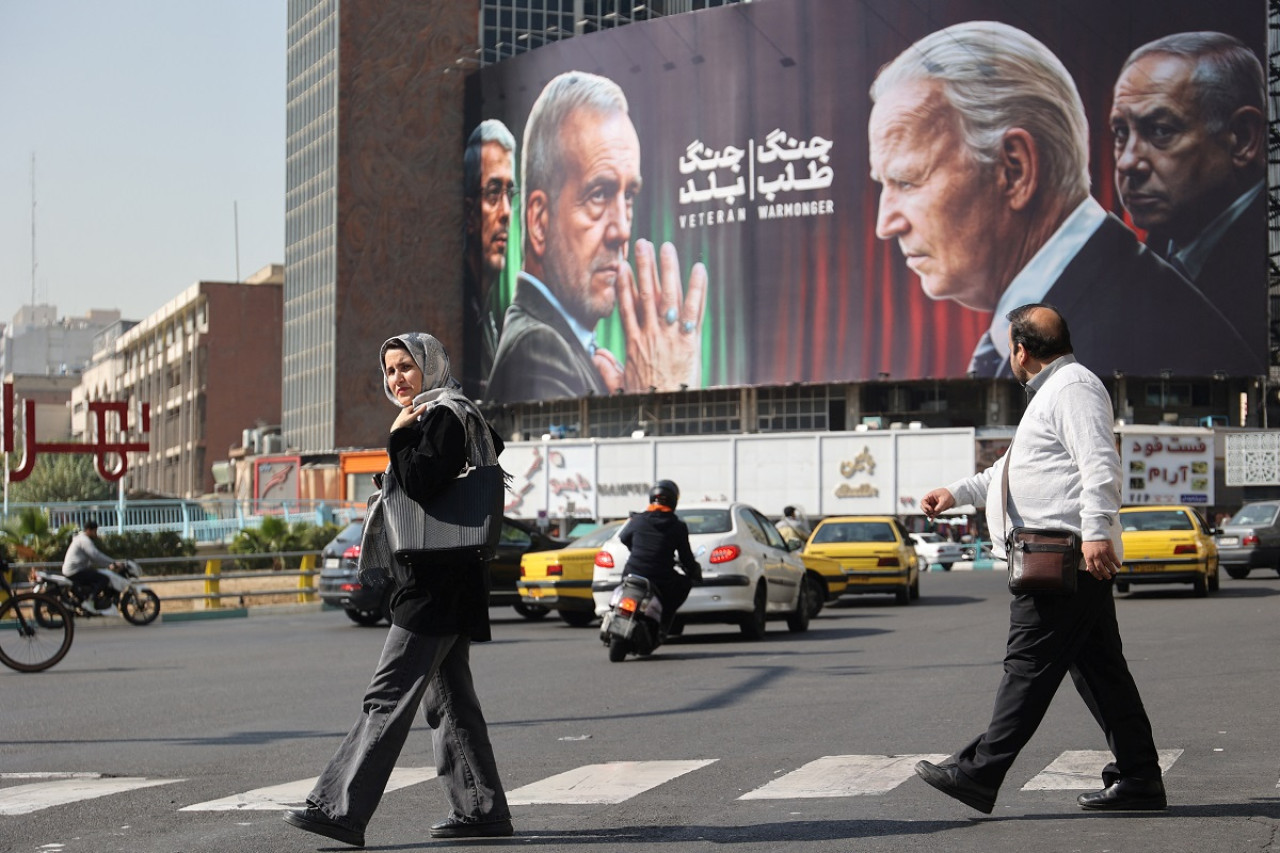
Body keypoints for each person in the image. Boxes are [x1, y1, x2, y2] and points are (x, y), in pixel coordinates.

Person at [868, 21, 1258, 380]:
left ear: (1015, 169)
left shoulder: (1134, 333)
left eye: (906, 181)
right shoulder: (1088, 305)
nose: (885, 224)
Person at [915, 304, 1165, 815]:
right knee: (1102, 673)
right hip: (1066, 557)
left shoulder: (1072, 388)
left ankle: (979, 772)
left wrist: (1096, 531)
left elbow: (1100, 462)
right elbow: (1006, 473)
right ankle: (1139, 777)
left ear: (1020, 350)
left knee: (1027, 667)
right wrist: (955, 492)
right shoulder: (1051, 392)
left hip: (1060, 558)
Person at [284, 333, 513, 847]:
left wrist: (396, 436)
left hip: (434, 587)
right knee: (451, 705)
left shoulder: (446, 415)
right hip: (444, 581)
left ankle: (339, 808)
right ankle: (482, 809)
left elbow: (422, 480)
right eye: (389, 371)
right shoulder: (443, 414)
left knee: (386, 698)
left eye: (406, 366)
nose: (398, 379)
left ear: (430, 365)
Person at [486, 71, 708, 403]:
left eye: (628, 195)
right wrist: (662, 395)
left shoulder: (566, 344)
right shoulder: (538, 351)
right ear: (539, 222)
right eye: (599, 195)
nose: (622, 230)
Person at [1111, 32, 1266, 345]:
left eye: (1160, 131)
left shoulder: (1263, 272)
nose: (1127, 162)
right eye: (1120, 132)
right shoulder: (1151, 253)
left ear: (1242, 138)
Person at [462, 119, 517, 397]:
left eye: (510, 193)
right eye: (494, 193)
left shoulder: (489, 322)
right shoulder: (458, 317)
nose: (506, 212)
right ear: (470, 213)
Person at [619, 479, 702, 631]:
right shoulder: (677, 526)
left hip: (632, 570)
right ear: (673, 501)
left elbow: (623, 538)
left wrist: (637, 550)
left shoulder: (637, 520)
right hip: (660, 576)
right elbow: (686, 557)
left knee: (622, 586)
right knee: (683, 584)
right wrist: (694, 571)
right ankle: (664, 624)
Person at [61, 520, 119, 616]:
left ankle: (92, 599)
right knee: (104, 579)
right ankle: (89, 601)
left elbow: (92, 558)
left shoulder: (80, 538)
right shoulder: (84, 540)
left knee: (96, 575)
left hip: (75, 570)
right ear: (88, 530)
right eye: (95, 531)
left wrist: (107, 564)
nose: (96, 534)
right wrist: (113, 562)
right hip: (75, 572)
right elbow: (95, 555)